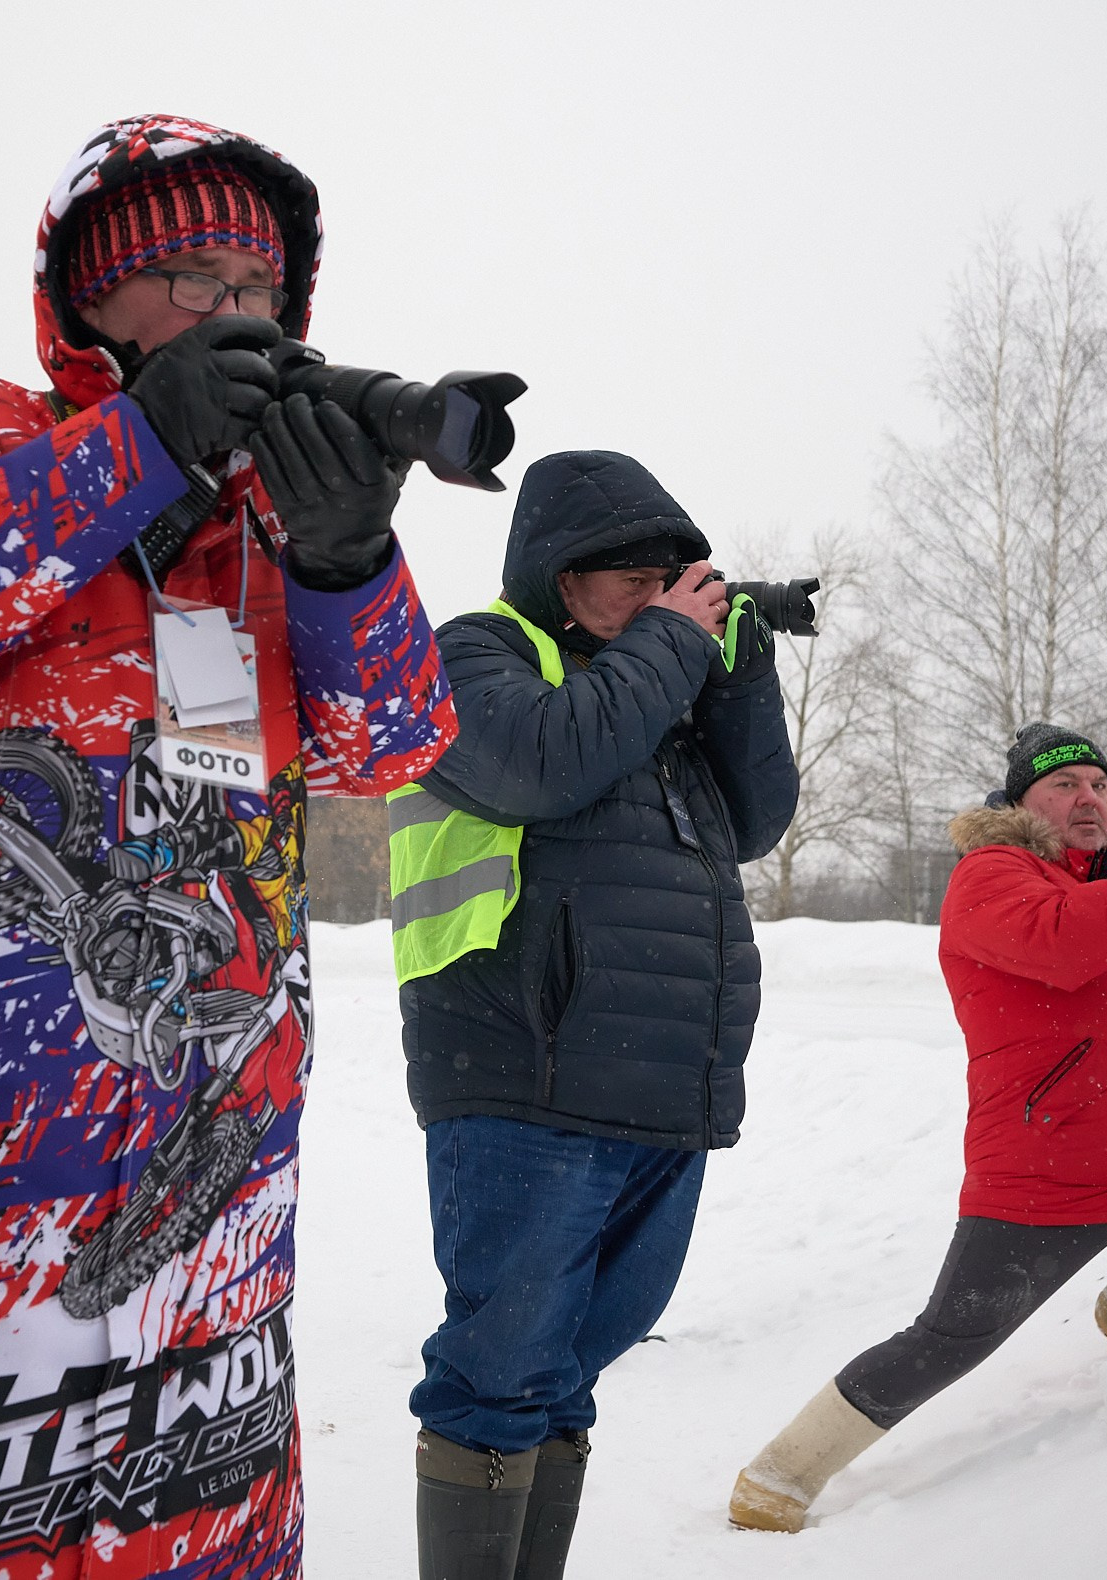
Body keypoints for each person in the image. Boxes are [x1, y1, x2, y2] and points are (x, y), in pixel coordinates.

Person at [0, 115, 456, 1580]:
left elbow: (391, 751)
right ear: (90, 296)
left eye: (257, 284)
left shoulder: (273, 523)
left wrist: (348, 561)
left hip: (221, 1103)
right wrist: (139, 447)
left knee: (201, 1486)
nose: (234, 309)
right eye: (191, 277)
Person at [728, 724, 1107, 1534]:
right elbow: (1067, 943)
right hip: (1047, 1181)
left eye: (1099, 785)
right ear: (1022, 801)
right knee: (949, 1337)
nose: (1087, 799)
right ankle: (779, 1477)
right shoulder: (991, 876)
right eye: (1064, 786)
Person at [388, 451, 798, 1579]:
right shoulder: (475, 654)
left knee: (569, 1367)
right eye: (636, 575)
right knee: (501, 1365)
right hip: (526, 1068)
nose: (665, 593)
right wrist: (675, 642)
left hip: (662, 1084)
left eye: (682, 576)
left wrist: (738, 662)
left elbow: (760, 815)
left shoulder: (659, 699)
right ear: (562, 576)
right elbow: (532, 764)